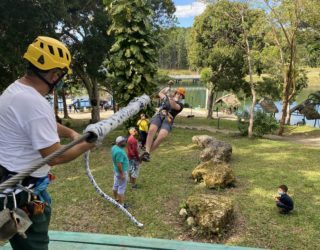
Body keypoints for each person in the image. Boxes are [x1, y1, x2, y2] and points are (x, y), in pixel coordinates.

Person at [0, 36, 96, 249]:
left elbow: (43, 125)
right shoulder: (34, 104)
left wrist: (71, 133)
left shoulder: (15, 90)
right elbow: (56, 156)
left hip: (8, 184)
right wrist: (88, 143)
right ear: (55, 75)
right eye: (61, 75)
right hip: (22, 197)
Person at [140, 86, 186, 162]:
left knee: (162, 136)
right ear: (175, 93)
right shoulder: (166, 98)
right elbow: (160, 93)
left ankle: (147, 154)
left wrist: (170, 97)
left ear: (182, 97)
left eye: (181, 95)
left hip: (168, 119)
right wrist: (166, 88)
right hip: (160, 115)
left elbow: (174, 105)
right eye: (178, 93)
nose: (179, 95)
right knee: (152, 130)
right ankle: (146, 152)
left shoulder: (180, 105)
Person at [112, 136, 129, 208]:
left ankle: (116, 199)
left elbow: (115, 161)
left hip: (116, 171)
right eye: (124, 141)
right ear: (120, 143)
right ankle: (121, 205)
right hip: (121, 172)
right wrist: (122, 174)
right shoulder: (119, 152)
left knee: (115, 185)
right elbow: (119, 164)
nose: (125, 142)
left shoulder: (114, 147)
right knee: (121, 188)